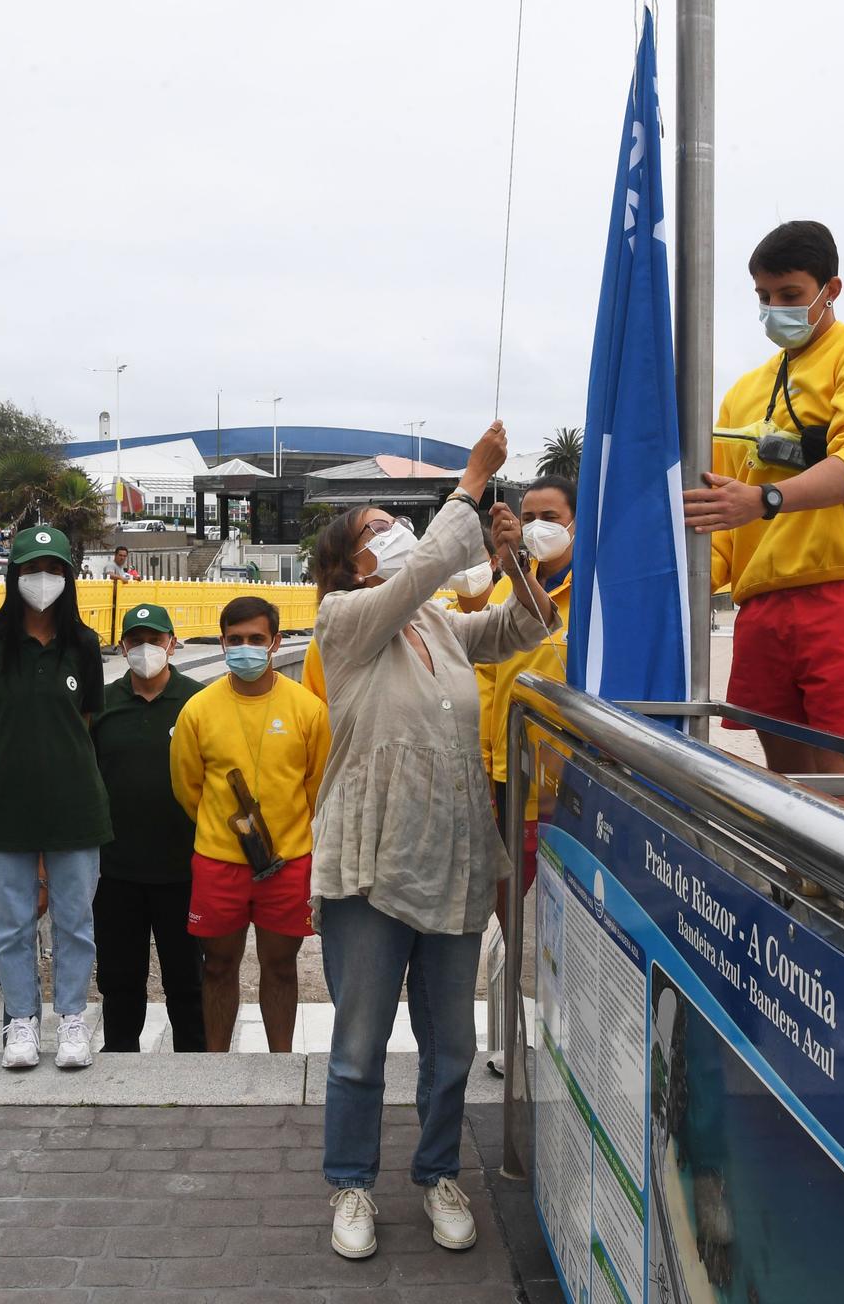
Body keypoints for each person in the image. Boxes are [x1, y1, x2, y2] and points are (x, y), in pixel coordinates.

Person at [307, 421, 553, 1260]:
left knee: (450, 1043)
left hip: (450, 857)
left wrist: (513, 557)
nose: (395, 533)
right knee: (359, 1042)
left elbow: (522, 630)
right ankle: (350, 1183)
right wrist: (471, 481)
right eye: (377, 529)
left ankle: (438, 1171)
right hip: (371, 865)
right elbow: (423, 573)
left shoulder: (443, 627)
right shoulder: (346, 620)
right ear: (350, 561)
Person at [681, 220, 844, 807]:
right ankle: (800, 896)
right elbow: (718, 516)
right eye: (763, 297)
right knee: (788, 794)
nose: (774, 310)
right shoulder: (742, 392)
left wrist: (766, 498)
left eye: (790, 296)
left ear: (831, 288)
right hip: (760, 605)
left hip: (842, 591)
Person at [0, 526, 111, 1071]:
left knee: (74, 920)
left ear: (68, 576)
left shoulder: (84, 645)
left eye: (53, 569)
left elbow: (85, 719)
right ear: (12, 575)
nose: (41, 580)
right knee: (14, 922)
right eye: (29, 569)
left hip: (75, 805)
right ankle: (20, 1021)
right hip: (3, 804)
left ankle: (71, 1019)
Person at [171, 596, 329, 1053]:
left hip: (288, 862)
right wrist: (227, 832)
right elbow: (189, 788)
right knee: (218, 965)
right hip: (220, 862)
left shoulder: (308, 710)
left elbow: (317, 787)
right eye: (236, 640)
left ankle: (281, 1062)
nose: (246, 648)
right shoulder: (197, 711)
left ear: (276, 642)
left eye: (256, 639)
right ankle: (217, 1065)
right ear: (221, 643)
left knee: (281, 966)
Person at [92, 603, 205, 1052]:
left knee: (186, 979)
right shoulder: (101, 706)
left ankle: (196, 1066)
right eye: (135, 641)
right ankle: (120, 1062)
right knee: (119, 980)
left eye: (154, 640)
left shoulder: (198, 702)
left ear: (172, 644)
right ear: (122, 646)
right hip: (116, 870)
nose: (145, 649)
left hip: (184, 868)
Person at [474, 474, 576, 915]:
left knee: (575, 899)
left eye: (550, 517)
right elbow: (485, 681)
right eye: (529, 517)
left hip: (573, 774)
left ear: (576, 523)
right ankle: (509, 980)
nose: (537, 527)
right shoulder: (503, 591)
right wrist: (481, 755)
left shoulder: (595, 593)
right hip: (510, 770)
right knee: (507, 896)